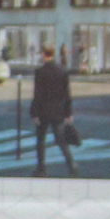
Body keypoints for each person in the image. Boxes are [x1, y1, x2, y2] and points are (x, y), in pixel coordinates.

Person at [30, 47, 78, 177]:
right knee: (61, 140)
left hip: (43, 111)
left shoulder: (40, 71)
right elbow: (67, 94)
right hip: (58, 111)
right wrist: (68, 113)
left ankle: (41, 168)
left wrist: (34, 113)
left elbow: (37, 94)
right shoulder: (62, 71)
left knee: (40, 141)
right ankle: (71, 164)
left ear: (43, 54)